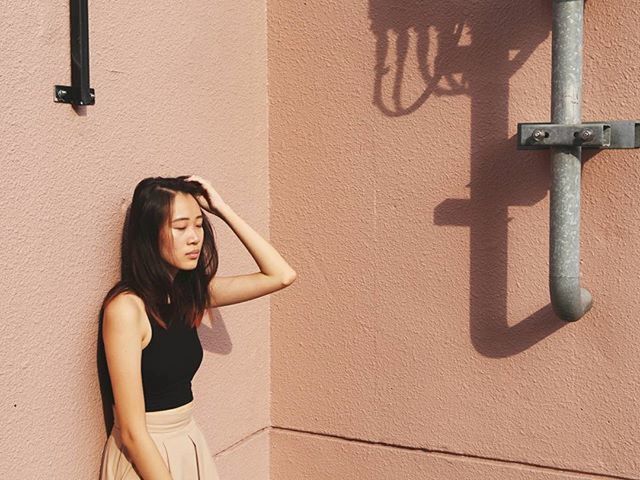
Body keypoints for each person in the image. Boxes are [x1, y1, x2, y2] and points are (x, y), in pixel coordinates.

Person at [98, 175, 297, 479]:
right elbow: (131, 432)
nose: (194, 237)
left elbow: (281, 275)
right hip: (147, 459)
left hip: (187, 443)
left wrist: (222, 209)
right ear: (149, 235)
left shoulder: (188, 295)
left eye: (198, 225)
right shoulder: (126, 309)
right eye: (180, 227)